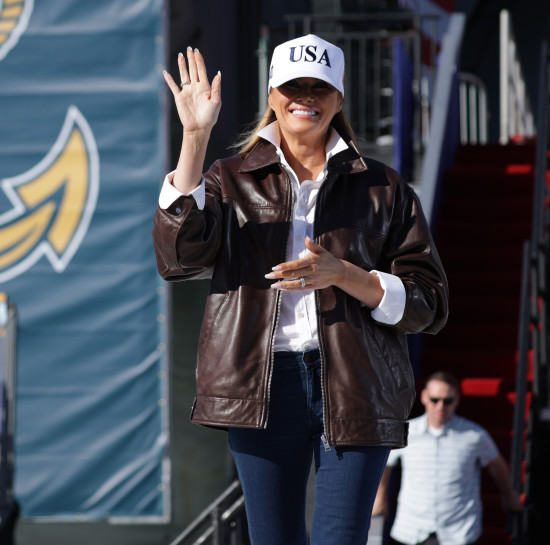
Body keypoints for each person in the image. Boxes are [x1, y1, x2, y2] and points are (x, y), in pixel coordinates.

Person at [152, 35, 449, 545]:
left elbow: (429, 304)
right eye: (293, 86)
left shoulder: (385, 187)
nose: (305, 97)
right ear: (272, 94)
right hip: (260, 384)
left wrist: (346, 275)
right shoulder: (226, 178)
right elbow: (178, 258)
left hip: (356, 383)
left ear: (338, 99)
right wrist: (195, 138)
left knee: (340, 538)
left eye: (319, 87)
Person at [374, 372, 523, 545]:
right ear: (424, 397)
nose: (440, 406)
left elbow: (496, 464)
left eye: (447, 401)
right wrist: (380, 498)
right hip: (412, 528)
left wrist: (507, 494)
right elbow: (386, 464)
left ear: (457, 400)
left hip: (459, 531)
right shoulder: (407, 432)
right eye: (435, 399)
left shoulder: (474, 435)